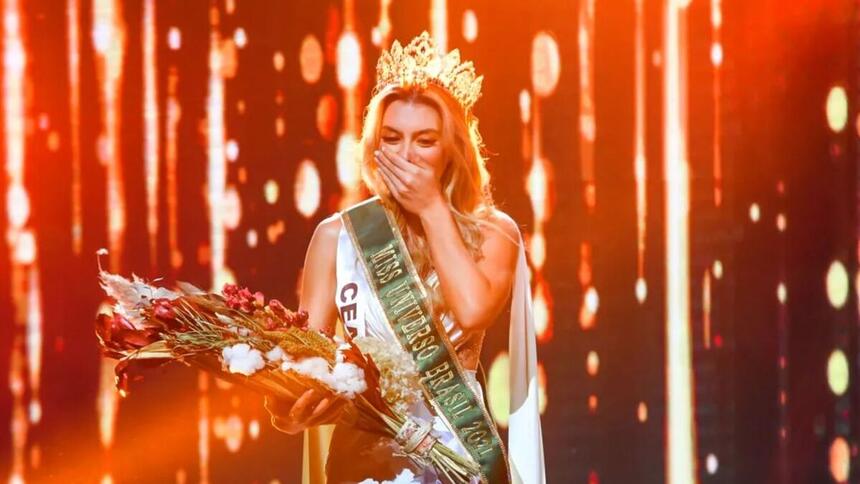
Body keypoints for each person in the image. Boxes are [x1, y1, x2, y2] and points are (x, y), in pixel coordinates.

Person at [265, 32, 545, 484]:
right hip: (362, 462)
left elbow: (473, 310)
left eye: (425, 141)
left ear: (452, 148)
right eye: (392, 138)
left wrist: (432, 207)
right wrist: (289, 406)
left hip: (459, 455)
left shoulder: (494, 231)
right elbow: (307, 365)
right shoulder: (337, 236)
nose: (405, 155)